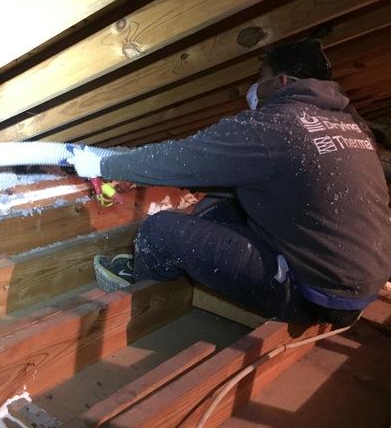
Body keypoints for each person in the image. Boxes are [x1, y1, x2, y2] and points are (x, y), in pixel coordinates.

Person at [67, 39, 391, 327]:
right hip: (357, 282)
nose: (254, 87)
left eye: (259, 78)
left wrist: (102, 163)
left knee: (161, 230)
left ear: (281, 82)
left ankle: (145, 296)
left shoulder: (277, 124)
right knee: (224, 203)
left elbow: (181, 159)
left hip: (312, 293)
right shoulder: (350, 122)